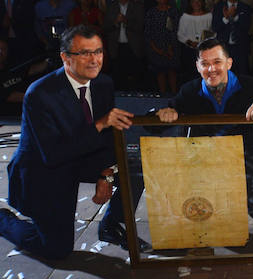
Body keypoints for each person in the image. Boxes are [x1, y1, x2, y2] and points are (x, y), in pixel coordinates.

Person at [0, 25, 146, 259]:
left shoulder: (103, 84)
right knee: (56, 249)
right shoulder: (40, 94)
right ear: (65, 58)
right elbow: (54, 154)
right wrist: (99, 123)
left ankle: (110, 225)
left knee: (136, 169)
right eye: (84, 53)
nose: (94, 60)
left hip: (81, 156)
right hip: (45, 170)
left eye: (98, 52)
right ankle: (3, 221)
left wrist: (106, 174)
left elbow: (108, 139)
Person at [155, 38, 253, 218]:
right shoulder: (189, 91)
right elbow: (156, 121)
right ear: (197, 66)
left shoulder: (250, 86)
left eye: (217, 62)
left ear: (229, 63)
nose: (211, 69)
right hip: (207, 161)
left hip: (247, 160)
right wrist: (164, 113)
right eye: (205, 64)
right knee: (203, 213)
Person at [103, 0, 145, 90]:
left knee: (135, 78)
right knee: (118, 77)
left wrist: (126, 21)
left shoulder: (137, 7)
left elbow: (141, 27)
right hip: (116, 47)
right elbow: (105, 27)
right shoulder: (111, 7)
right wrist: (116, 22)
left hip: (133, 47)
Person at [212, 0, 253, 76]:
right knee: (224, 74)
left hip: (240, 47)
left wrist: (234, 17)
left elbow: (246, 27)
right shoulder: (219, 7)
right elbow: (215, 27)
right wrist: (226, 18)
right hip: (224, 47)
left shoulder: (245, 8)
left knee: (242, 74)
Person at [144, 0, 180, 95]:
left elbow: (177, 30)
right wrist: (156, 49)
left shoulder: (174, 11)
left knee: (172, 71)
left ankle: (174, 95)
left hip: (172, 47)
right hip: (156, 47)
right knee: (160, 72)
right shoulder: (151, 13)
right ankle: (162, 96)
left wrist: (171, 47)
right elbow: (148, 33)